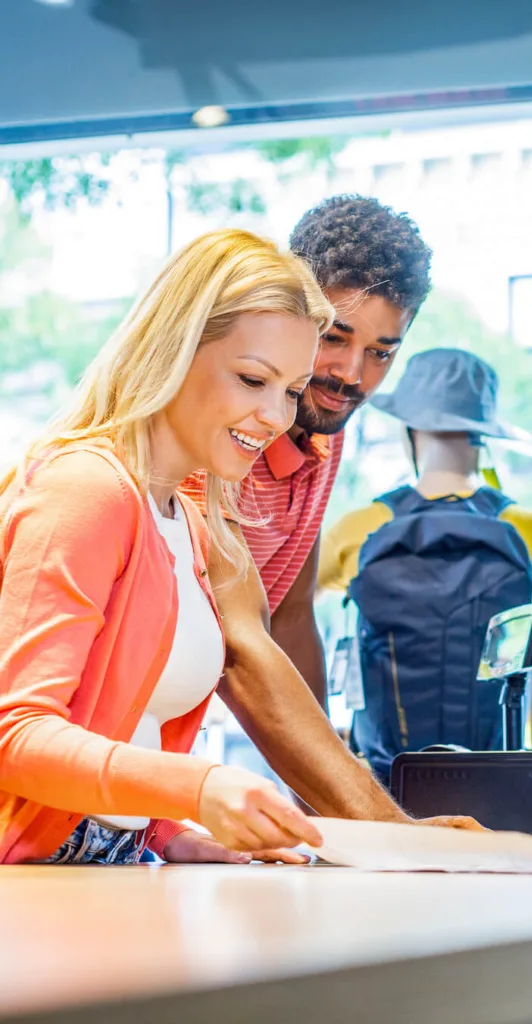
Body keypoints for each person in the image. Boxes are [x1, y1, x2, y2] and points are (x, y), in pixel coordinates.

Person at [0, 228, 332, 865]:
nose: (276, 416)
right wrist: (198, 788)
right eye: (252, 379)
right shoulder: (87, 489)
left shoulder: (183, 517)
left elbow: (123, 723)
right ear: (175, 352)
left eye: (291, 391)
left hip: (105, 863)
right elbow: (15, 735)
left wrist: (163, 833)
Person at [180, 197, 477, 828]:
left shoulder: (324, 432)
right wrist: (380, 827)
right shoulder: (220, 424)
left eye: (382, 352)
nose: (351, 374)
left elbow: (288, 617)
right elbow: (238, 641)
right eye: (335, 338)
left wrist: (335, 821)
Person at [319, 348, 532, 761]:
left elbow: (284, 625)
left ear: (409, 430)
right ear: (484, 433)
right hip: (495, 785)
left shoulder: (357, 529)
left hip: (382, 786)